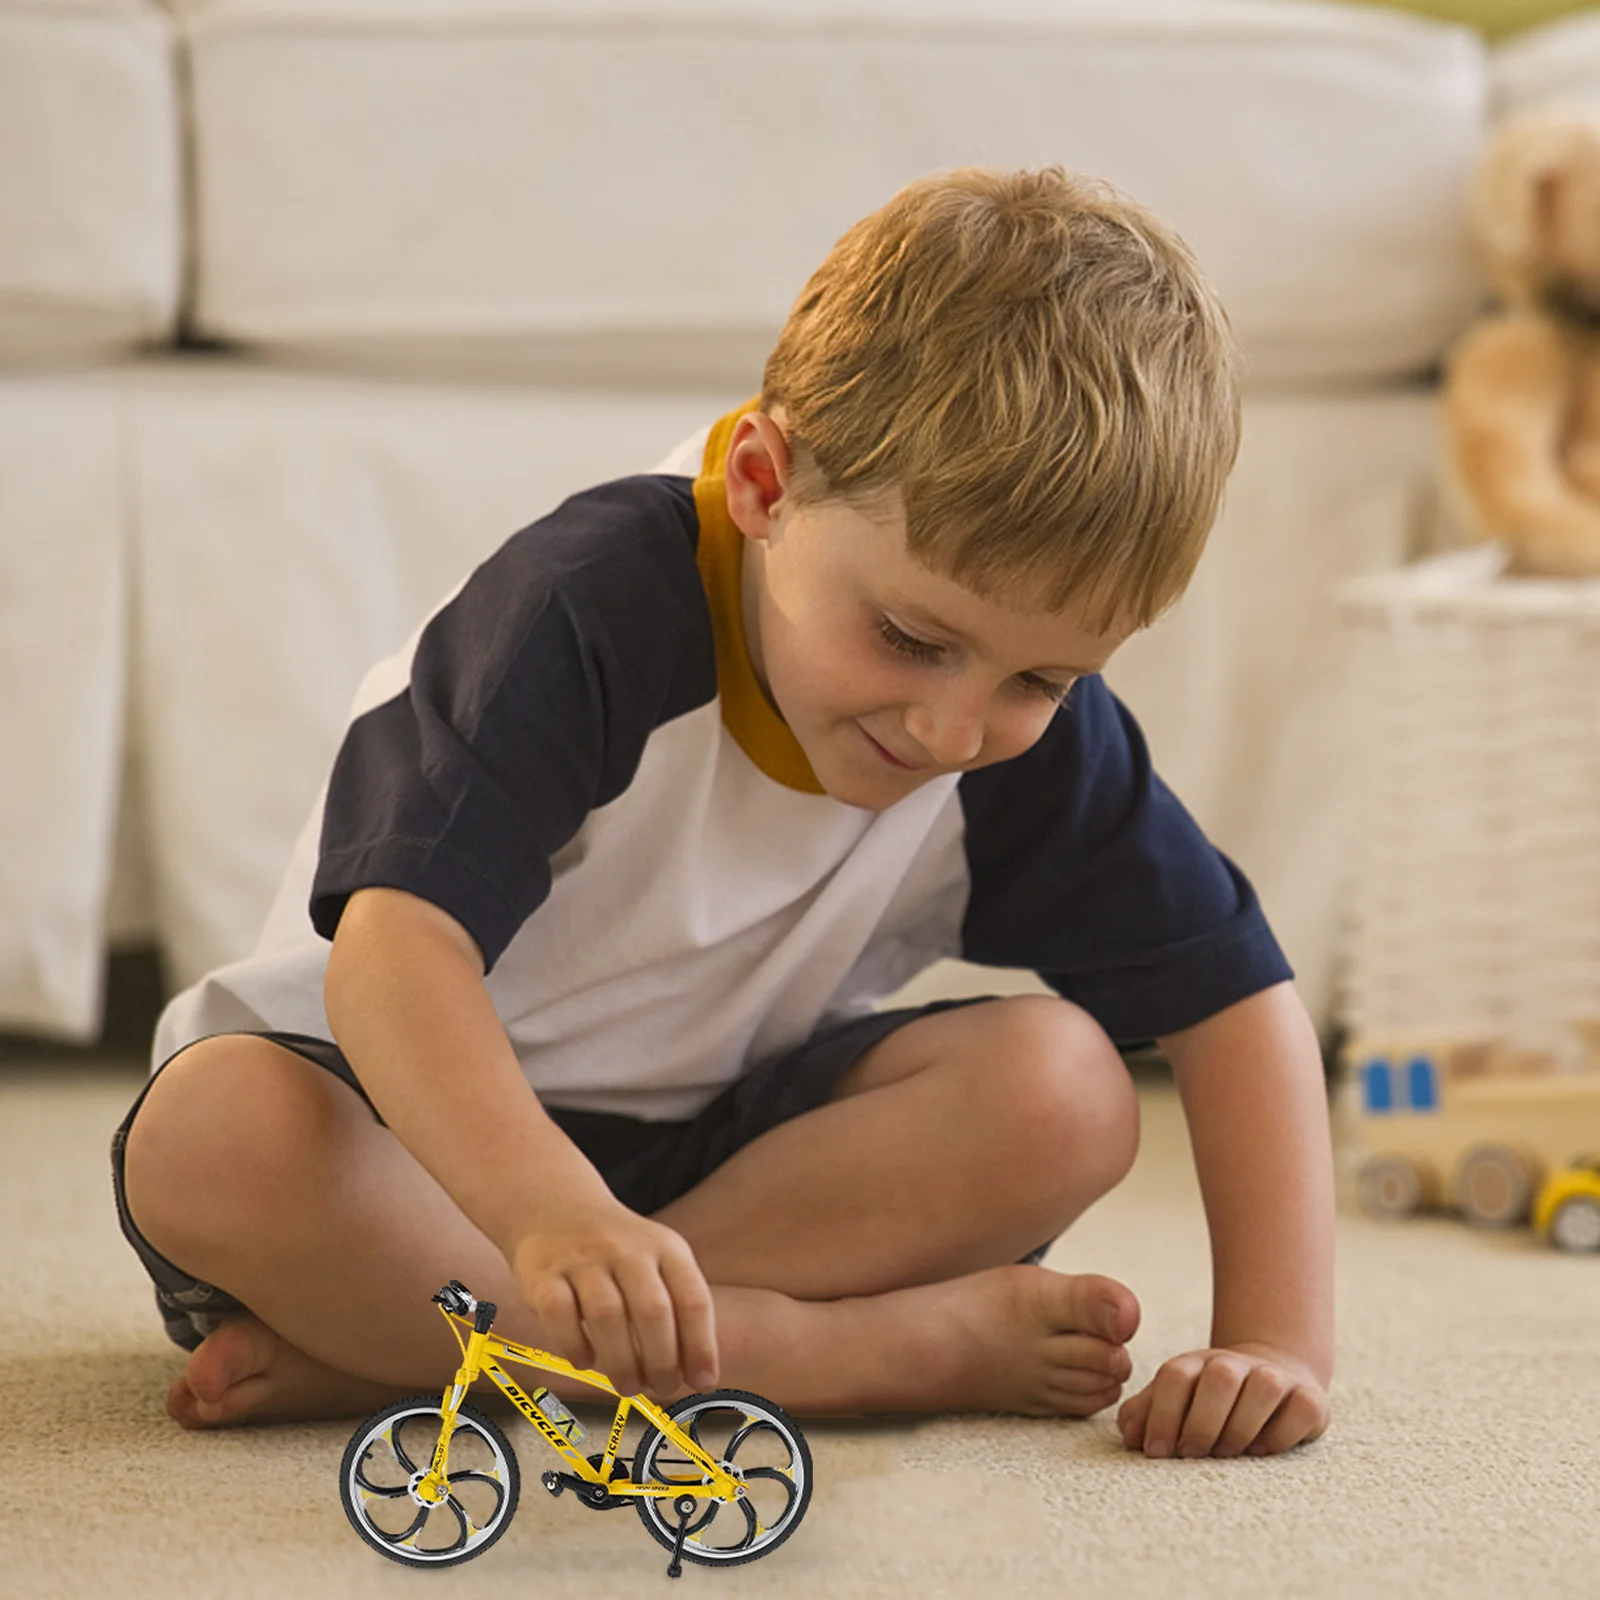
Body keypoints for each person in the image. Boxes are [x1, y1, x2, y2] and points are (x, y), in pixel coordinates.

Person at [112, 166, 1334, 1461]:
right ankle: (815, 1355)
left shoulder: (1010, 735)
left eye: (1038, 679)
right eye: (911, 638)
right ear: (763, 485)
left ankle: (451, 1352)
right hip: (397, 1137)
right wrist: (546, 1214)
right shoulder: (584, 607)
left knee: (1071, 1091)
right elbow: (393, 959)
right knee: (213, 1136)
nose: (953, 732)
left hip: (715, 1170)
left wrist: (1277, 1345)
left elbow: (1237, 1003)